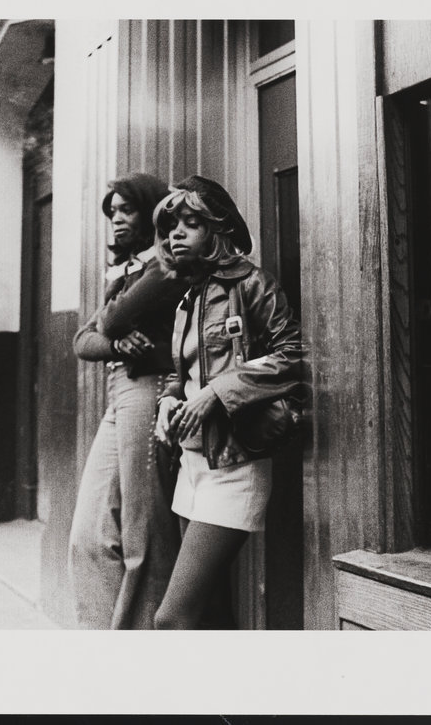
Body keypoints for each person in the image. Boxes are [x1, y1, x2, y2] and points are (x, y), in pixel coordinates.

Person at [151, 175, 304, 630]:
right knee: (209, 613)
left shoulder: (253, 285)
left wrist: (218, 393)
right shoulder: (187, 299)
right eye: (172, 225)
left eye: (191, 223)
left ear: (218, 230)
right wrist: (167, 402)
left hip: (236, 465)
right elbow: (182, 377)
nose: (177, 233)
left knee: (172, 618)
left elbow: (293, 354)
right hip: (193, 464)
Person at [68, 173, 188, 629]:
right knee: (89, 533)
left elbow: (113, 319)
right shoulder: (128, 270)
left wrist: (112, 328)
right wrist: (116, 344)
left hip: (149, 390)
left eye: (126, 210)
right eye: (111, 212)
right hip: (119, 393)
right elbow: (84, 341)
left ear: (151, 211)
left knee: (144, 533)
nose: (116, 219)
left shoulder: (164, 263)